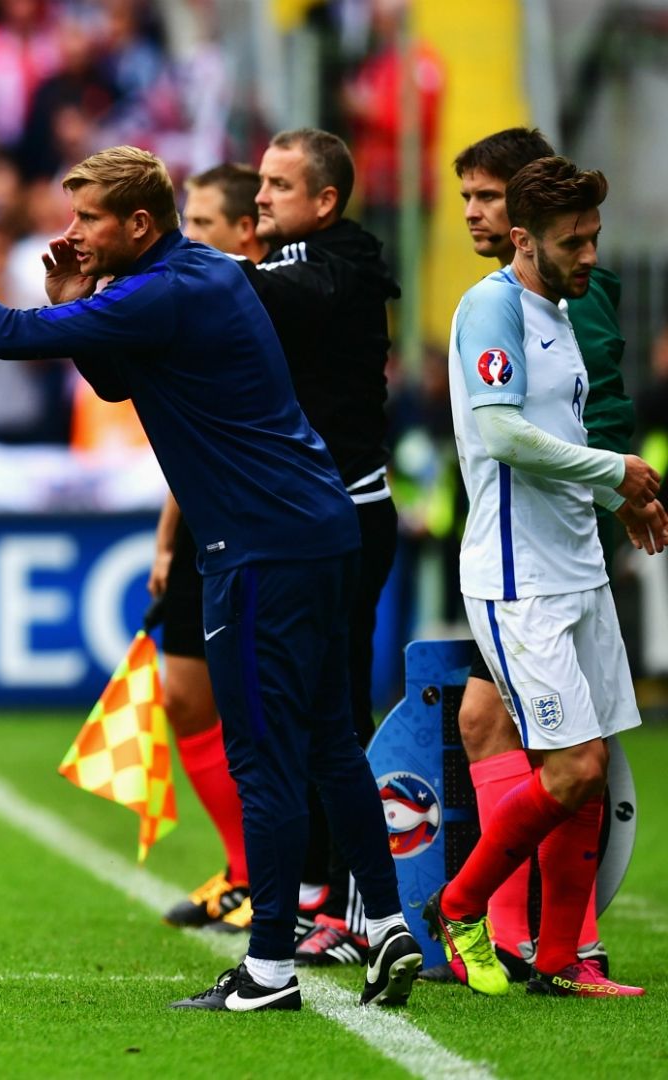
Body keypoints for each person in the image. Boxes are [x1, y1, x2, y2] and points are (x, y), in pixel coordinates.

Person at [0, 145, 421, 1011]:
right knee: (331, 740)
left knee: (262, 758)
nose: (70, 235)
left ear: (139, 225)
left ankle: (266, 971)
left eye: (87, 220)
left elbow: (5, 336)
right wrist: (79, 299)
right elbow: (118, 372)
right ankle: (386, 922)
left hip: (260, 548)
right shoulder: (200, 276)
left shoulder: (162, 291)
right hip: (324, 528)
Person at [426, 155, 666, 999]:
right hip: (517, 578)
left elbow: (556, 433)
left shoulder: (560, 311)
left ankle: (564, 960)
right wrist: (615, 471)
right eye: (576, 241)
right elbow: (502, 436)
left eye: (596, 237)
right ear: (524, 241)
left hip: (578, 569)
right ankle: (458, 907)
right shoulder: (492, 307)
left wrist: (614, 497)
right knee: (568, 770)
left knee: (592, 764)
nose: (592, 254)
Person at [243, 128, 403, 967]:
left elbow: (267, 297)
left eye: (276, 184)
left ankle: (355, 908)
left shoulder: (336, 268)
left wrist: (168, 264)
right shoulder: (305, 261)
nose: (259, 196)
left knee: (332, 714)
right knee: (298, 713)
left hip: (344, 515)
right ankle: (314, 894)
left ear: (325, 199)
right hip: (303, 518)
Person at [155, 162, 266, 934]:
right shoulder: (190, 302)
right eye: (186, 223)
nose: (188, 238)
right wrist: (167, 537)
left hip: (257, 525)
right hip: (199, 520)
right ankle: (240, 870)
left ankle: (278, 879)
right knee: (184, 696)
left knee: (261, 708)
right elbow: (183, 435)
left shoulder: (254, 305)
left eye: (201, 225)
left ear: (244, 234)